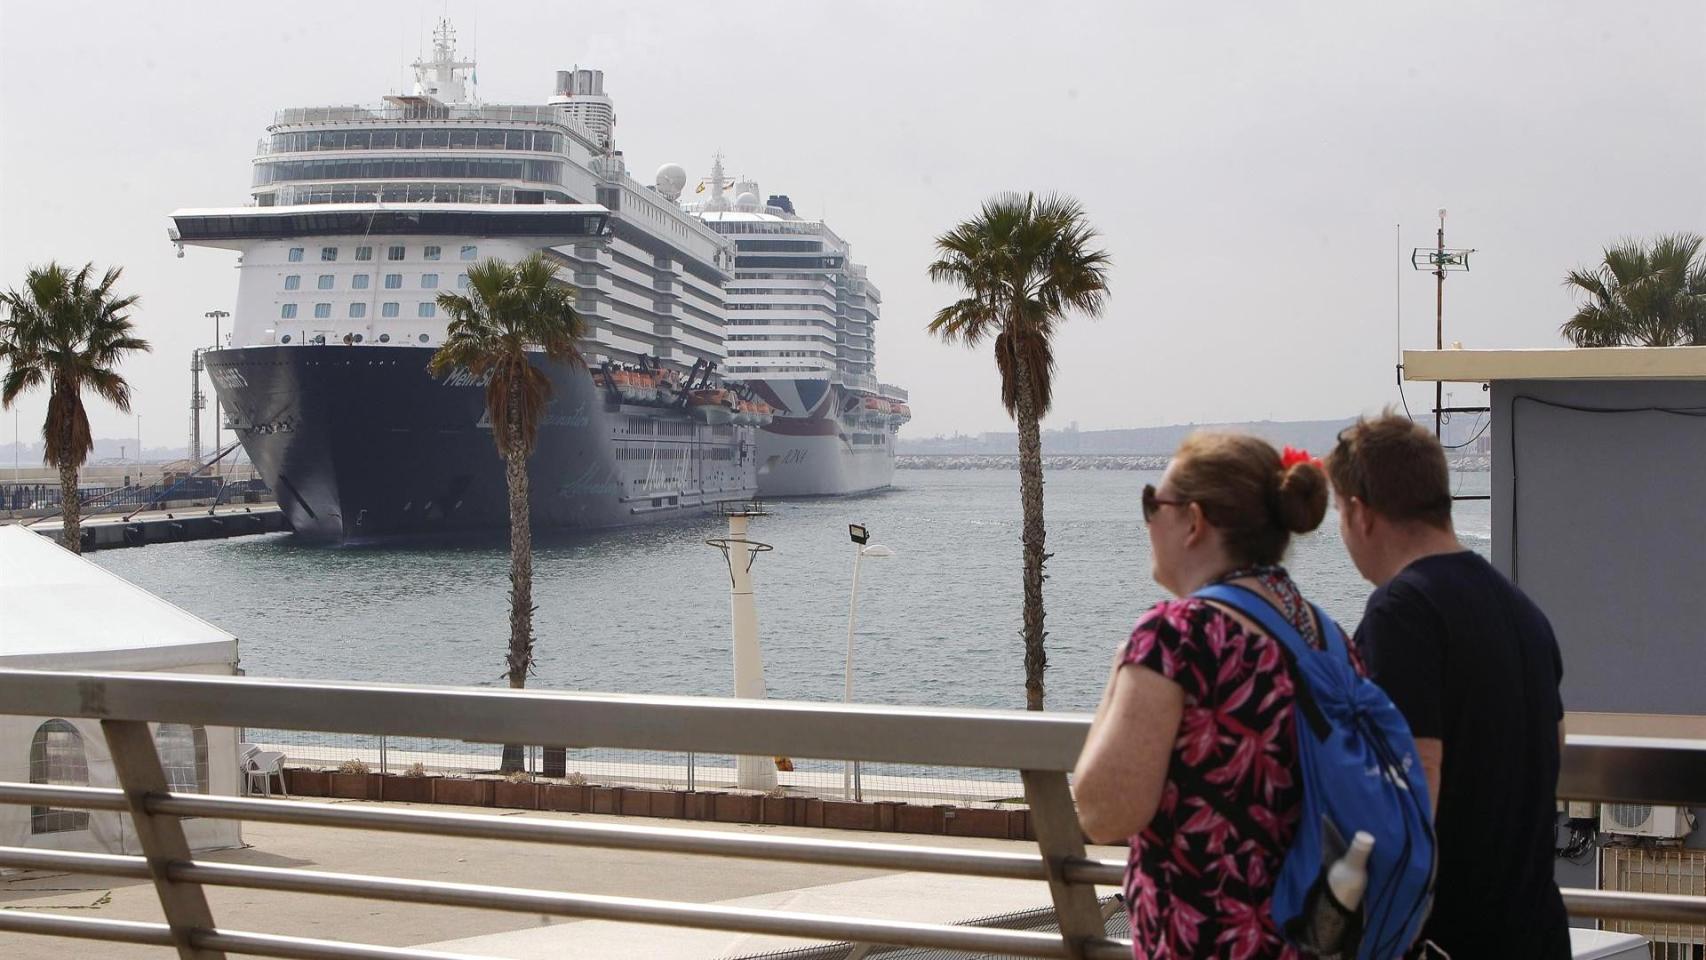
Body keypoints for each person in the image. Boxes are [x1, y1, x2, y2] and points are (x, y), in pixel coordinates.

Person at [1075, 432, 1349, 959]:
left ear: (1194, 522)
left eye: (1154, 502)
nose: (1149, 520)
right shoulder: (1326, 635)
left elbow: (1104, 811)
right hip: (1319, 940)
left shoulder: (1174, 638)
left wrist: (1121, 670)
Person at [1327, 413, 1569, 958]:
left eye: (1339, 514)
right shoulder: (1522, 610)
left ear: (1361, 514)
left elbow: (1414, 781)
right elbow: (1553, 751)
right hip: (1535, 933)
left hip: (1449, 936)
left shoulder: (1402, 612)